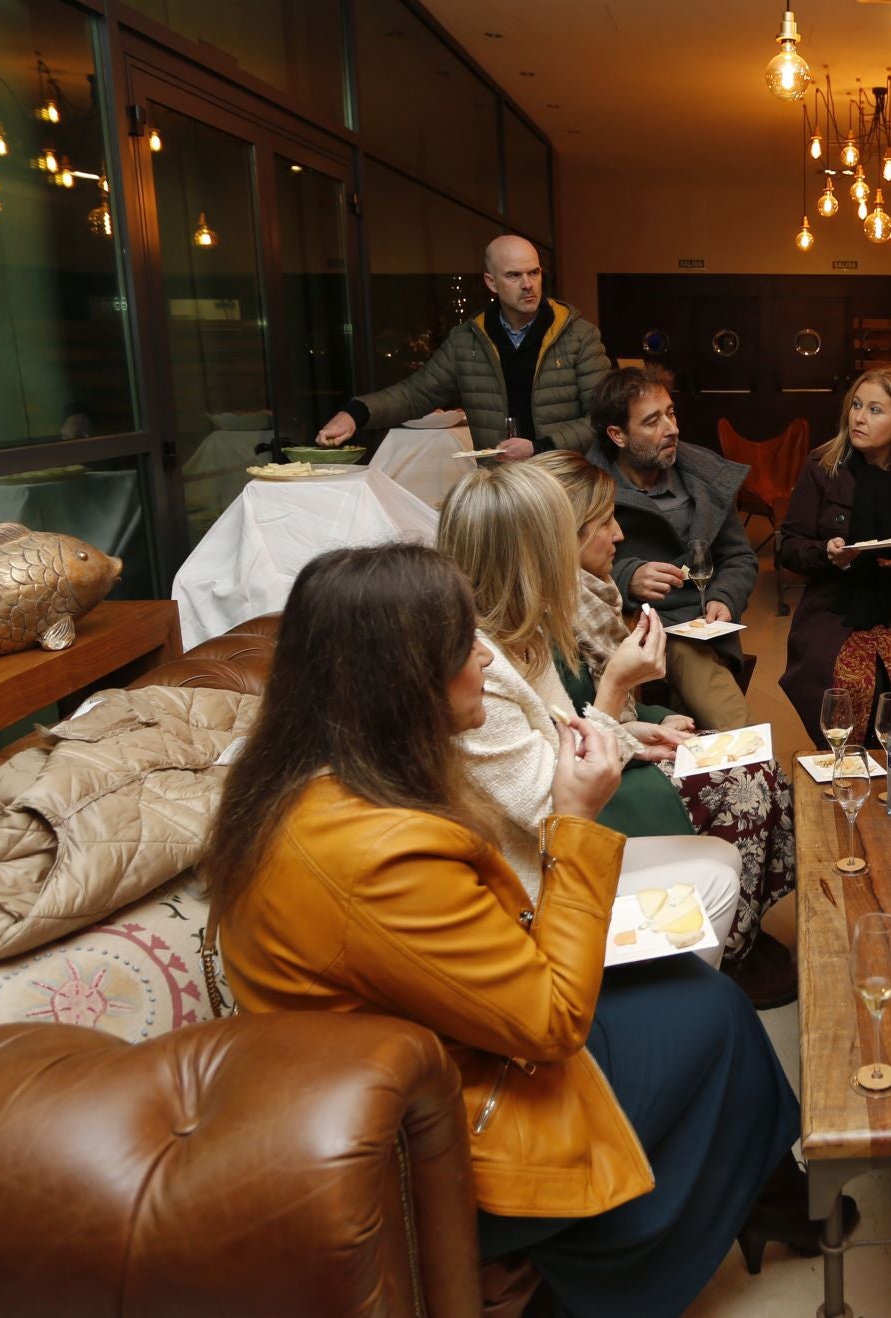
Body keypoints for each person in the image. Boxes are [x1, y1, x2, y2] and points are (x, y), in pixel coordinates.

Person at [204, 543, 815, 1318]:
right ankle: (583, 1314)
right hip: (443, 1122)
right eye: (463, 647)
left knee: (690, 989)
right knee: (719, 1016)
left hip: (438, 1050)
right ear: (404, 679)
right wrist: (573, 820)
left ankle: (767, 1198)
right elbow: (552, 1020)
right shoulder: (369, 851)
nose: (484, 657)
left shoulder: (317, 778)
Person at [436, 461, 745, 962]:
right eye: (565, 536)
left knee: (721, 860)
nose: (576, 556)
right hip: (530, 884)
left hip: (558, 849)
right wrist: (618, 686)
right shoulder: (476, 667)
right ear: (531, 556)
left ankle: (671, 990)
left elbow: (562, 739)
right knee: (712, 877)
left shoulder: (524, 632)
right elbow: (553, 811)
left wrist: (630, 732)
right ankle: (630, 1005)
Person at [535, 451, 801, 1010]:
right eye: (605, 522)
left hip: (619, 744)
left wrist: (656, 719)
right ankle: (728, 953)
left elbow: (604, 710)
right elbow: (569, 736)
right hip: (595, 787)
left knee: (755, 762)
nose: (619, 533)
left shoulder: (585, 595)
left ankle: (736, 932)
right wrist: (633, 717)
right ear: (566, 534)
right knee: (744, 785)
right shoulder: (541, 612)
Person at [776, 367, 891, 744]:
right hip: (837, 604)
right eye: (856, 405)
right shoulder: (822, 466)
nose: (859, 418)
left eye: (875, 410)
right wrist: (825, 553)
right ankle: (851, 774)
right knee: (855, 683)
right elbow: (789, 546)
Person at [314, 235, 609, 458]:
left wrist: (539, 447)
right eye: (514, 275)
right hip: (499, 482)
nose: (528, 284)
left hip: (564, 479)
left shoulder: (579, 335)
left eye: (534, 273)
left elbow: (604, 417)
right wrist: (355, 413)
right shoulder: (467, 339)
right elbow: (415, 394)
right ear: (491, 283)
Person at [583, 368, 758, 731]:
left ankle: (743, 766)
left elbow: (738, 557)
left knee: (695, 675)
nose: (672, 428)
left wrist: (726, 596)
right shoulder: (588, 487)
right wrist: (627, 576)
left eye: (671, 413)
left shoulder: (704, 478)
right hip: (630, 620)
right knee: (698, 688)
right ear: (617, 435)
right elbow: (563, 564)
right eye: (652, 421)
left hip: (698, 623)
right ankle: (745, 762)